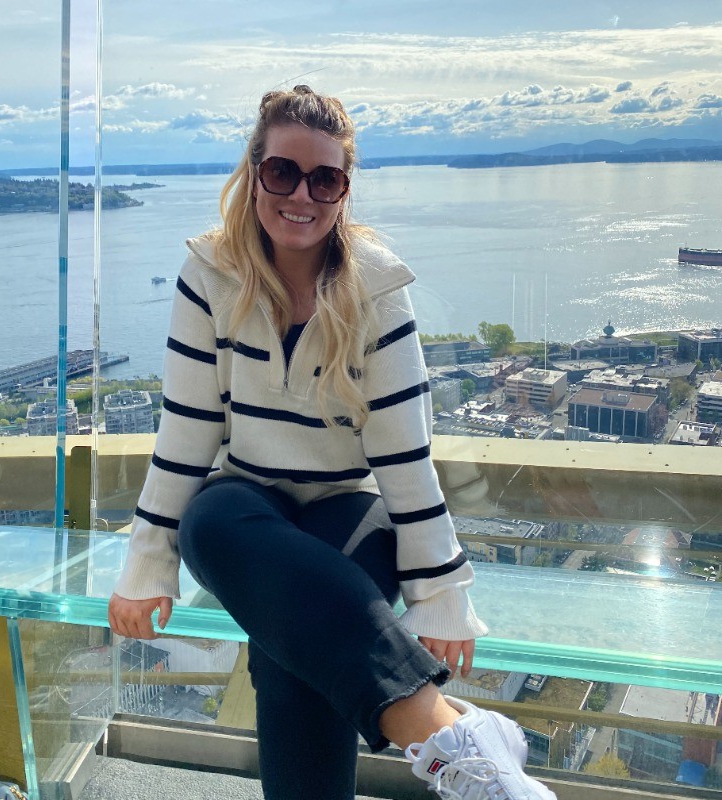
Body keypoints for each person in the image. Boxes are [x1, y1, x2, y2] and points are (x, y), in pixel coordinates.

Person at [108, 85, 556, 800]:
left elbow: (404, 452)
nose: (302, 195)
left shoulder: (376, 287)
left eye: (326, 179)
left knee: (291, 650)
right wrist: (147, 563)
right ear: (254, 171)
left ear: (346, 190)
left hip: (352, 505)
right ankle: (448, 735)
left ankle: (455, 744)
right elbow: (186, 432)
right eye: (283, 171)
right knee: (212, 521)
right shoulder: (210, 277)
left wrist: (442, 591)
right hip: (247, 498)